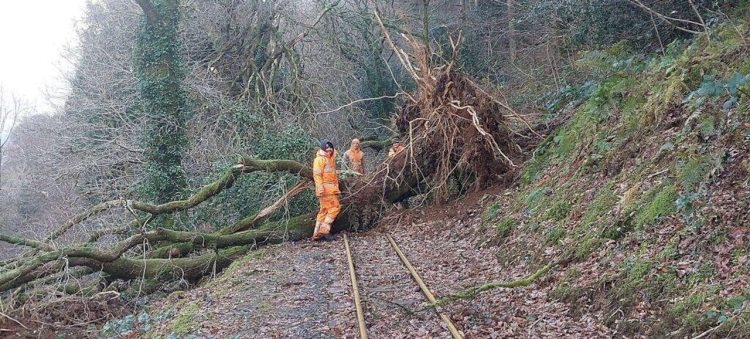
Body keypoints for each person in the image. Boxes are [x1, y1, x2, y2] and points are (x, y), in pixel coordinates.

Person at [312, 139, 340, 241]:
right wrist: (320, 189)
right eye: (327, 147)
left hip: (329, 189)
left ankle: (316, 234)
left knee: (324, 210)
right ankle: (324, 231)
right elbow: (317, 175)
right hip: (326, 190)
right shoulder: (320, 159)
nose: (329, 149)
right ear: (323, 147)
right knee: (335, 208)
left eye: (330, 147)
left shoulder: (329, 159)